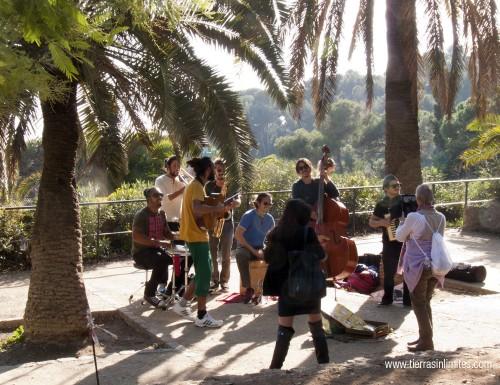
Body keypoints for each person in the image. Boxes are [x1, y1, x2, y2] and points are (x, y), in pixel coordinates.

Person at [263, 199, 329, 369]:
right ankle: (324, 364)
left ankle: (274, 369)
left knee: (284, 330)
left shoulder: (277, 233)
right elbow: (322, 257)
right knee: (316, 326)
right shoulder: (308, 233)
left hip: (287, 288)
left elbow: (269, 259)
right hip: (309, 285)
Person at [173, 157, 231, 328]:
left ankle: (182, 305)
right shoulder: (197, 186)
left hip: (195, 234)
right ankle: (201, 315)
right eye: (213, 168)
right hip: (196, 235)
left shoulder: (196, 185)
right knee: (206, 273)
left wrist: (222, 209)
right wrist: (217, 208)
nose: (215, 171)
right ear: (207, 170)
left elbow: (200, 210)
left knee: (202, 272)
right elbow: (198, 209)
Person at [396, 184, 446, 352]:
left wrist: (402, 224)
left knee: (418, 303)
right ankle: (425, 337)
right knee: (425, 302)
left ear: (418, 199)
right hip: (435, 266)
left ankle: (426, 341)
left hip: (419, 266)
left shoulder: (414, 217)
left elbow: (399, 236)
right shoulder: (441, 217)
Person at [369, 174, 411, 306]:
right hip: (389, 242)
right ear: (386, 189)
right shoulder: (382, 204)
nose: (398, 187)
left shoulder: (405, 201)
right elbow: (371, 222)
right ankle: (387, 299)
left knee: (407, 271)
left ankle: (408, 300)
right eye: (394, 186)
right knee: (389, 272)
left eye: (399, 185)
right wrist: (383, 222)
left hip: (406, 242)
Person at [132, 187, 175, 308]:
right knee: (162, 260)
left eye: (161, 195)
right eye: (156, 195)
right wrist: (160, 243)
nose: (160, 197)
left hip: (156, 250)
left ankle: (171, 290)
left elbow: (167, 233)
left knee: (179, 258)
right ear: (148, 199)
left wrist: (180, 235)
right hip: (141, 252)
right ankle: (149, 294)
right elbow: (136, 237)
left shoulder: (162, 214)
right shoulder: (141, 215)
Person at [155, 155, 192, 296]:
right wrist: (183, 189)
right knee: (165, 253)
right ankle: (162, 284)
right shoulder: (160, 180)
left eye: (178, 166)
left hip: (180, 222)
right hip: (165, 221)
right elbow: (165, 198)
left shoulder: (181, 181)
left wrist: (188, 185)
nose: (177, 168)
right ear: (168, 167)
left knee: (181, 254)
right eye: (174, 165)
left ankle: (176, 285)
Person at [205, 159, 241, 292]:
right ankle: (214, 280)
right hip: (213, 221)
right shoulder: (209, 186)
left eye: (222, 169)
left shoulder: (232, 184)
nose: (220, 171)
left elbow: (238, 200)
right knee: (212, 253)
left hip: (227, 222)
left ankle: (224, 281)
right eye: (217, 169)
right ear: (214, 170)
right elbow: (206, 203)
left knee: (226, 254)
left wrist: (233, 204)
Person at [234, 193, 275, 303]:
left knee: (279, 253)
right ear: (257, 203)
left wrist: (265, 250)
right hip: (246, 247)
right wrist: (255, 252)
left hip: (260, 247)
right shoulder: (248, 215)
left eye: (270, 203)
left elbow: (273, 239)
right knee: (240, 254)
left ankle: (275, 287)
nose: (268, 205)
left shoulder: (270, 219)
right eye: (265, 203)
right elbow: (238, 235)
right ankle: (248, 288)